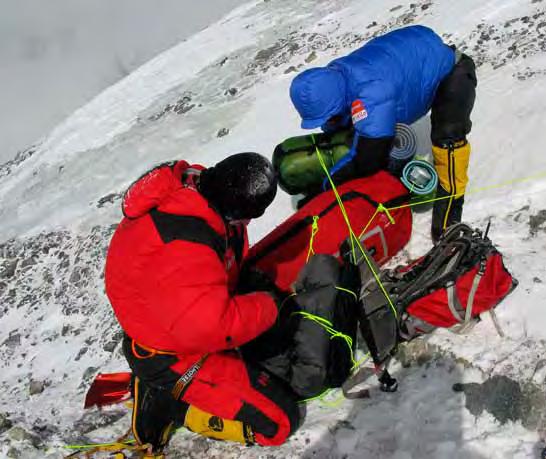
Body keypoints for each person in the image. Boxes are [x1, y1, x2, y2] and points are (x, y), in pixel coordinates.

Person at [104, 154, 303, 455]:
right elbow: (213, 326)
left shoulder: (198, 189)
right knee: (278, 423)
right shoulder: (187, 245)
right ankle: (172, 404)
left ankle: (165, 385)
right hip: (171, 354)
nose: (248, 222)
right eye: (246, 215)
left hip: (171, 319)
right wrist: (269, 307)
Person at [289, 25, 477, 241]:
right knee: (363, 133)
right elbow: (341, 123)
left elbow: (369, 158)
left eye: (327, 116)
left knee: (449, 143)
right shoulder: (336, 77)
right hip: (416, 54)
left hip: (453, 72)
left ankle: (447, 230)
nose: (326, 123)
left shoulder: (370, 92)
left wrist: (326, 187)